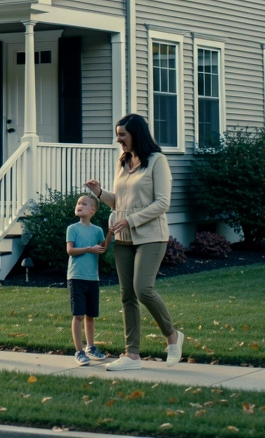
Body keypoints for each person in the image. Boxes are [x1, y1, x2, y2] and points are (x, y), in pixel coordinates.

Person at [85, 113, 184, 371]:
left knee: (143, 289)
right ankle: (132, 355)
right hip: (123, 238)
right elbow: (120, 202)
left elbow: (163, 203)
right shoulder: (124, 161)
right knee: (127, 295)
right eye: (117, 134)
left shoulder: (157, 161)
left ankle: (172, 337)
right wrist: (99, 193)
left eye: (122, 135)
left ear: (136, 134)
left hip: (151, 236)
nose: (118, 140)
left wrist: (131, 221)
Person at [65, 194, 111, 366]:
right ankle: (79, 351)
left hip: (93, 278)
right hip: (76, 277)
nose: (79, 205)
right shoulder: (73, 229)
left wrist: (110, 233)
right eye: (78, 203)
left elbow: (103, 249)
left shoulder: (98, 230)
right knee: (78, 315)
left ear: (92, 210)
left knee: (90, 315)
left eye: (84, 204)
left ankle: (91, 348)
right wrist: (88, 249)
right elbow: (70, 250)